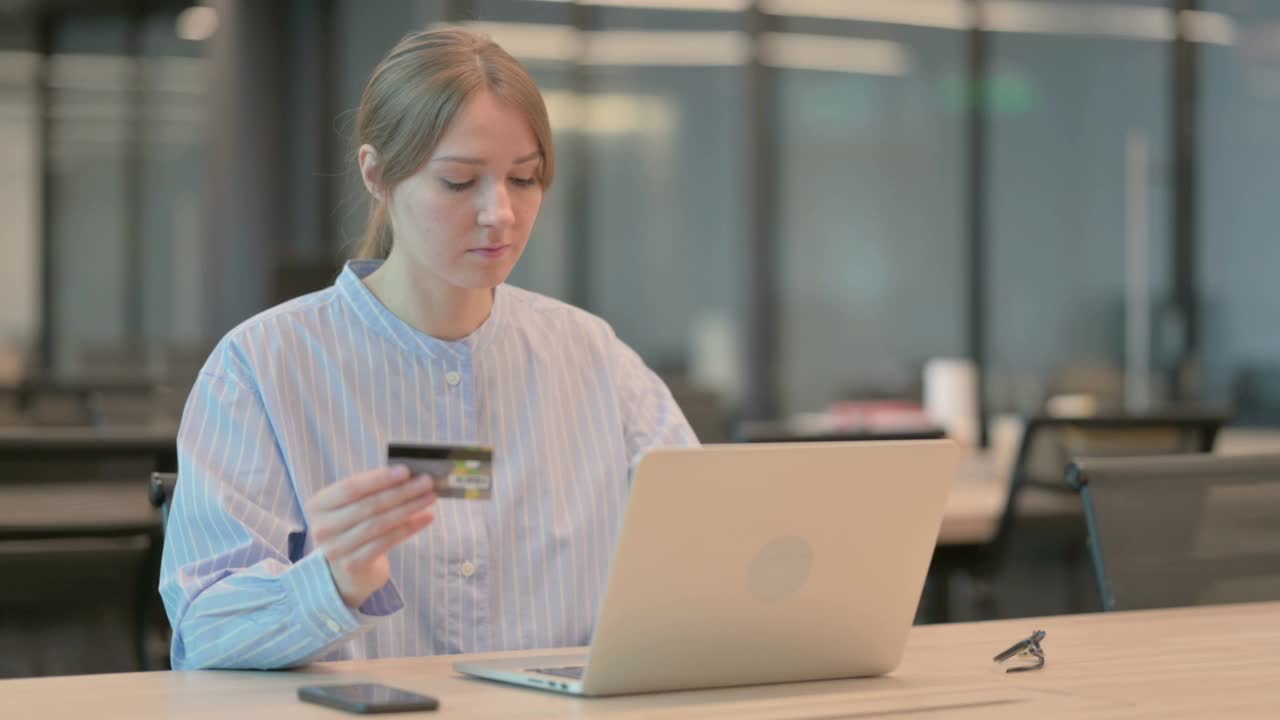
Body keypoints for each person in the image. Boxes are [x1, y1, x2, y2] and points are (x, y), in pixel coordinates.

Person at [159, 28, 697, 671]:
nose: (498, 212)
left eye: (524, 179)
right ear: (377, 174)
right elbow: (205, 635)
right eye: (458, 182)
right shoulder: (261, 367)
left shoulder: (595, 358)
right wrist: (335, 581)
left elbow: (709, 544)